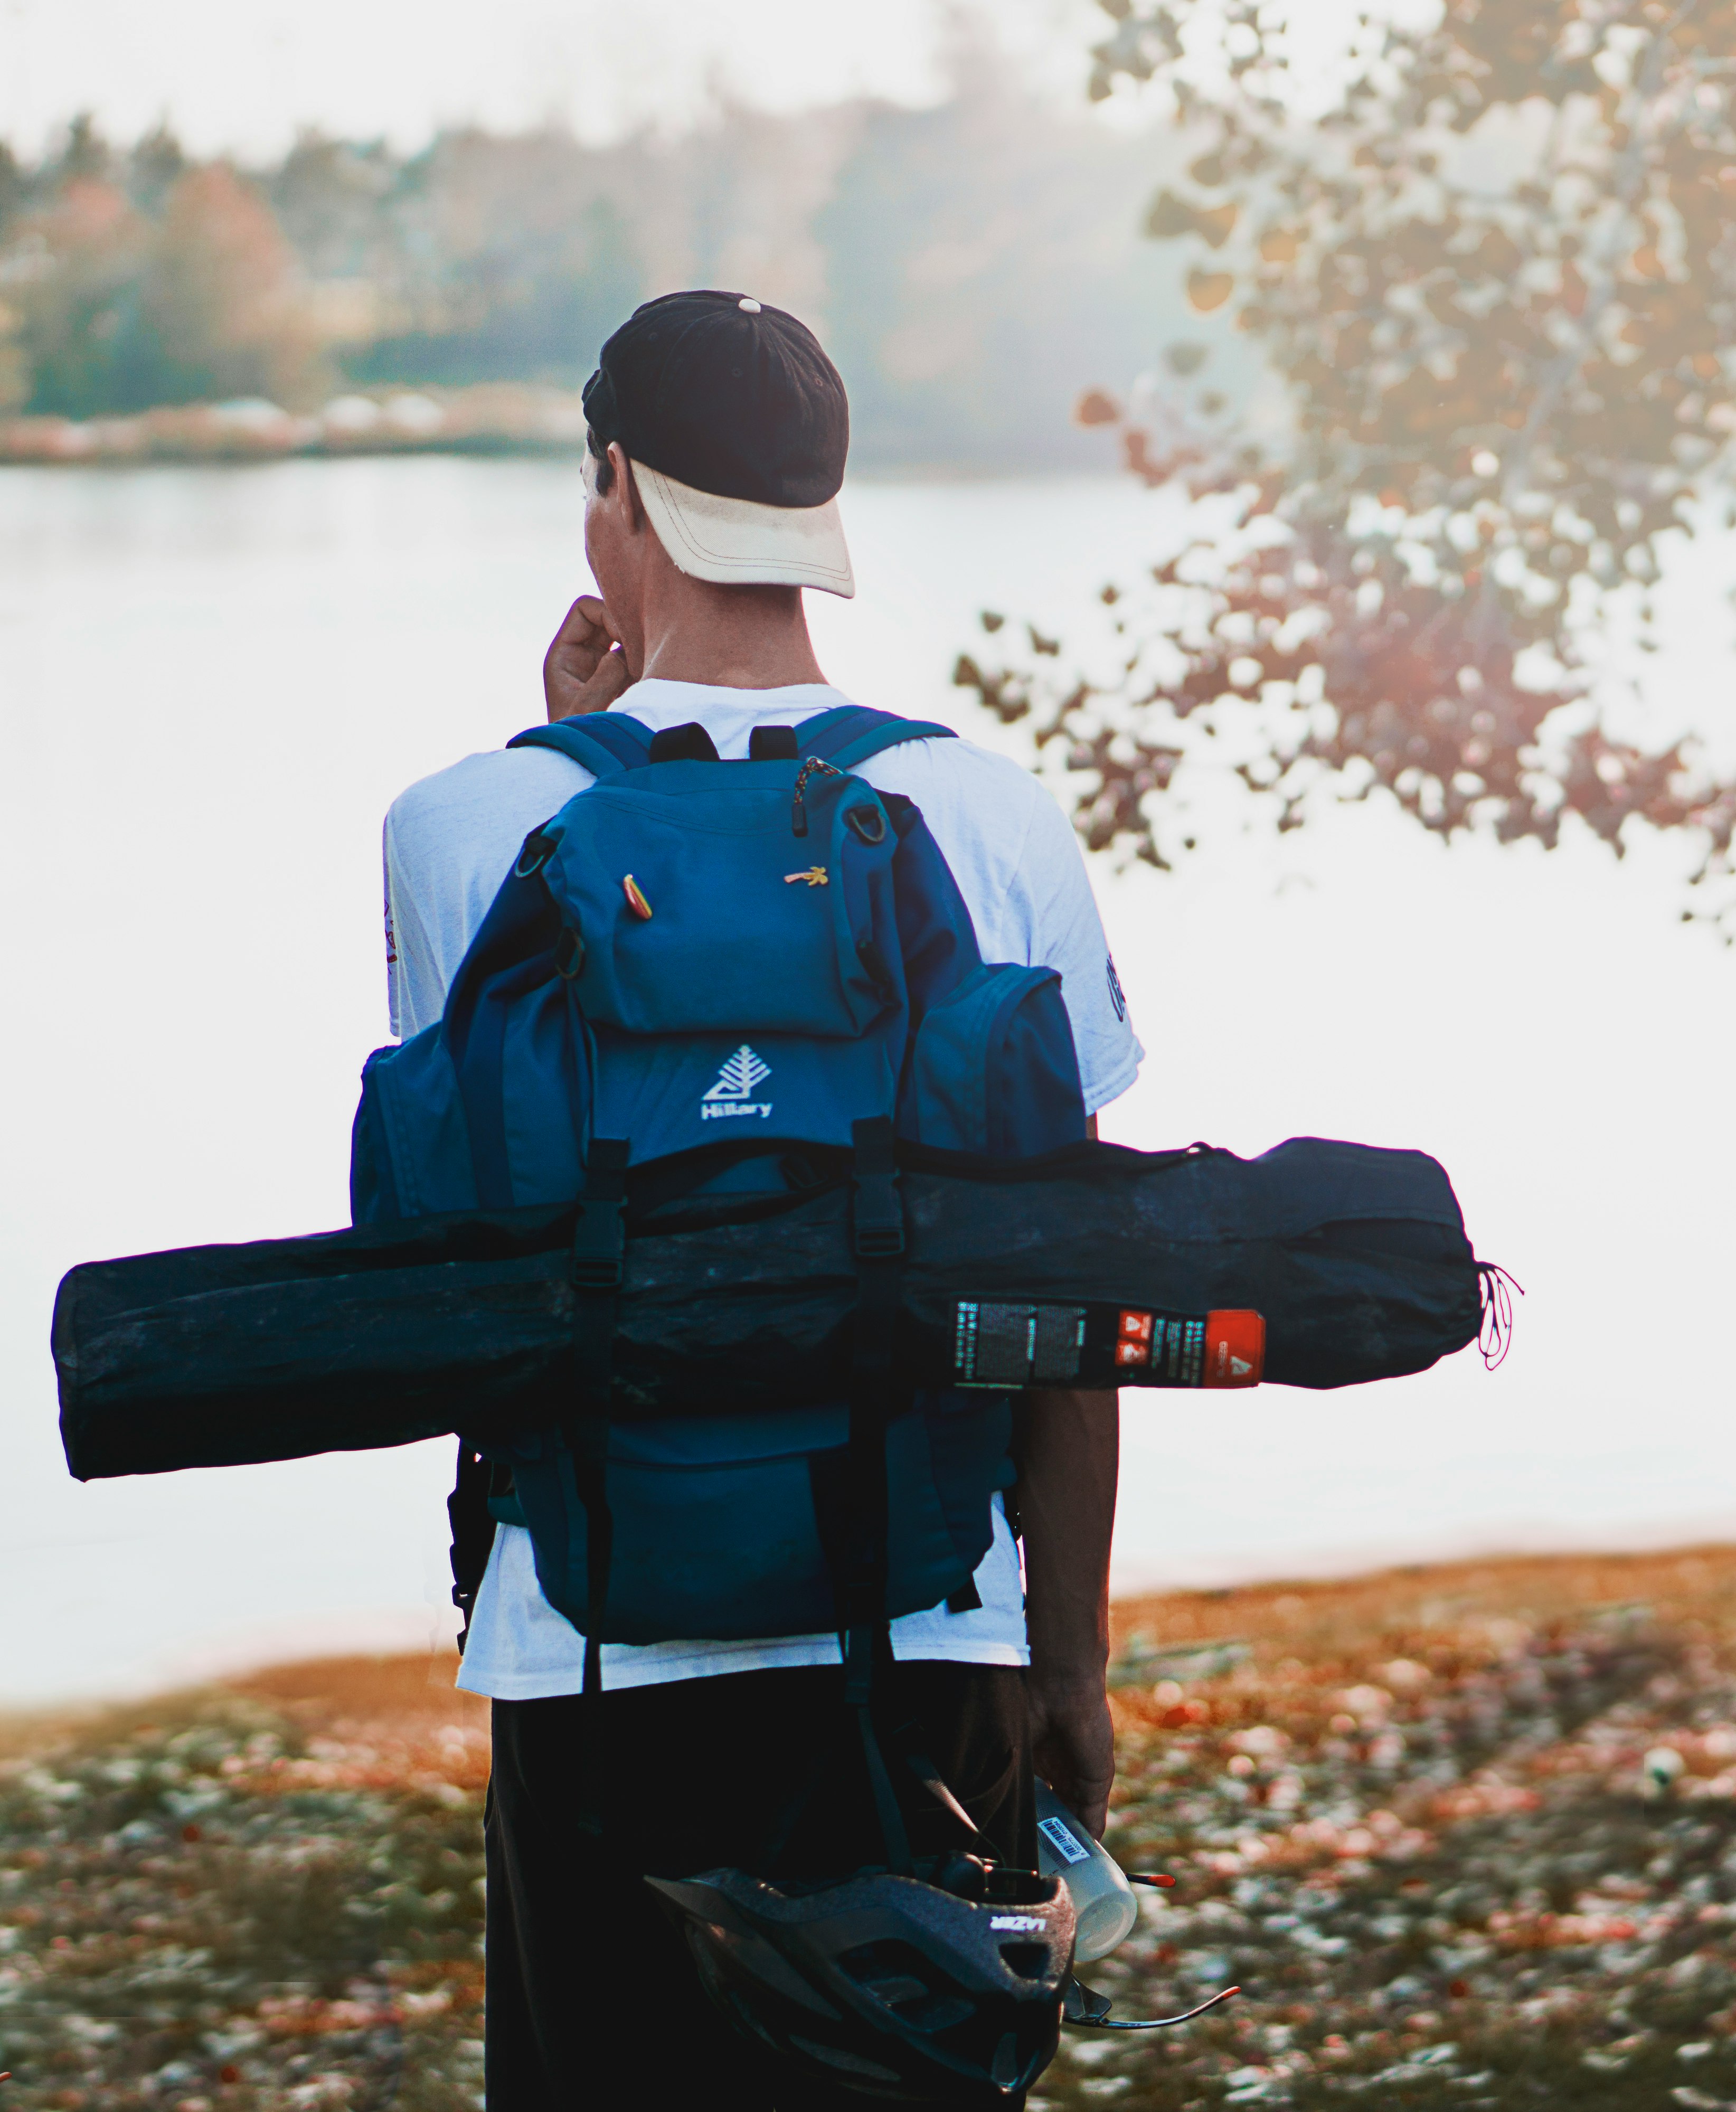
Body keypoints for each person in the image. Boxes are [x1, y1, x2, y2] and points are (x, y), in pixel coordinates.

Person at [380, 290, 1143, 2109]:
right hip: (932, 1633)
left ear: (619, 491)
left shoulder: (462, 831)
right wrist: (1075, 1665)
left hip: (591, 1657)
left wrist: (548, 754)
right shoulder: (991, 815)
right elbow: (1073, 1291)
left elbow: (491, 1221)